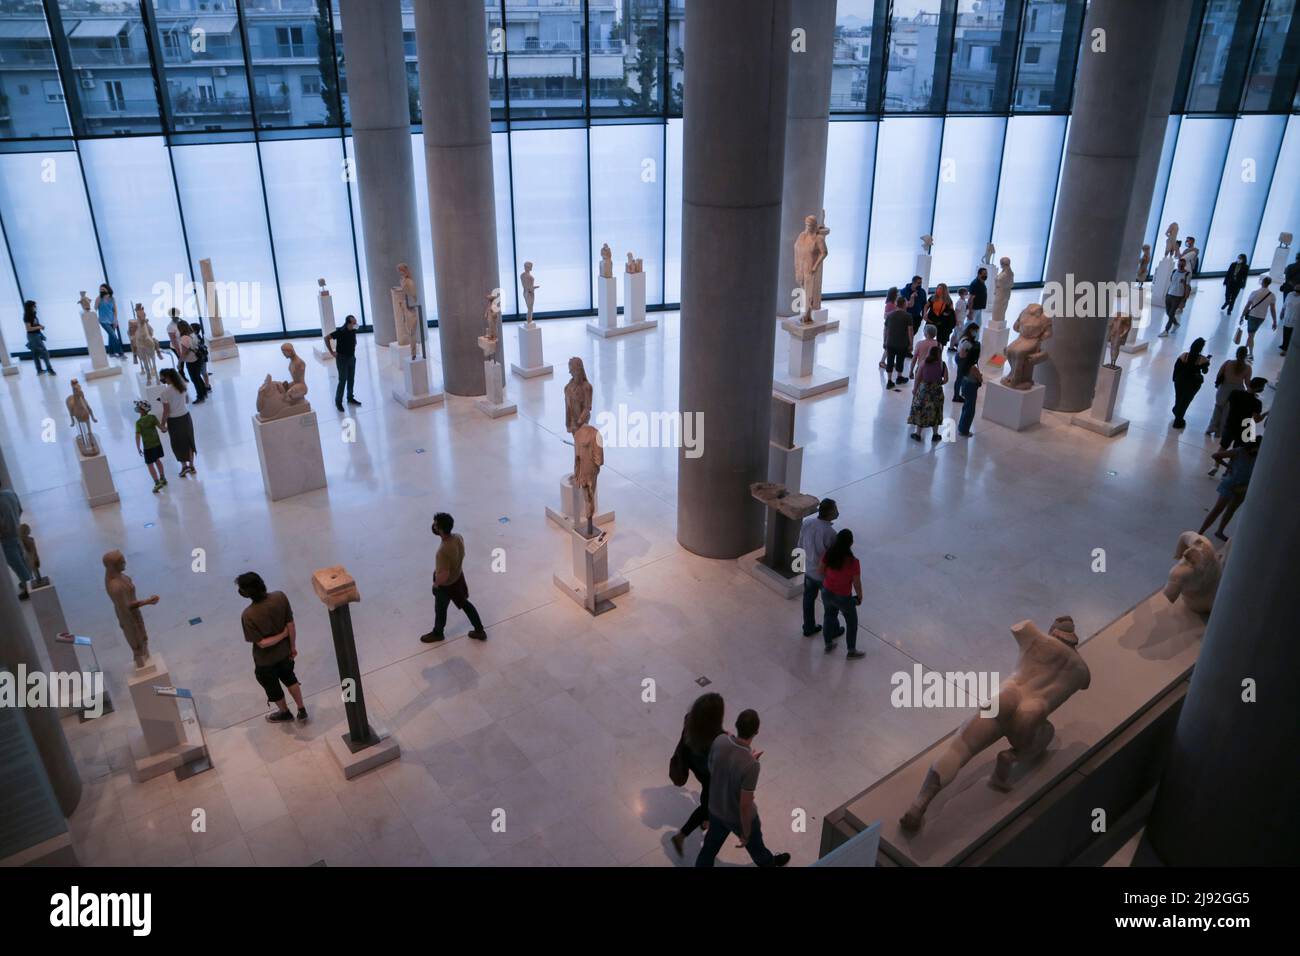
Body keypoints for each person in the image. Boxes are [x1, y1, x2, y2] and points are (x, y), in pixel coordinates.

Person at [694, 709, 790, 867]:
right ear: (756, 731)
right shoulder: (751, 765)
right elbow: (744, 805)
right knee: (757, 849)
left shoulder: (720, 740)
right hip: (737, 817)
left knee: (709, 848)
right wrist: (745, 833)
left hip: (717, 808)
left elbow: (711, 769)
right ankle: (770, 863)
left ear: (737, 725)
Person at [236, 572, 307, 722]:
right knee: (290, 678)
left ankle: (284, 712)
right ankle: (301, 709)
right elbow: (291, 625)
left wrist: (280, 636)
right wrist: (292, 646)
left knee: (272, 687)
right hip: (285, 653)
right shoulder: (280, 597)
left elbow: (262, 643)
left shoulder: (248, 615)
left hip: (265, 661)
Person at [669, 692, 726, 858]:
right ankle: (681, 836)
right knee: (708, 802)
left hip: (693, 764)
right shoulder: (717, 738)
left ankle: (705, 819)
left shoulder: (689, 719)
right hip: (708, 772)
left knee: (707, 792)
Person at [421, 512, 487, 643]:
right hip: (458, 578)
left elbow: (444, 574)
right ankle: (479, 630)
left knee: (440, 610)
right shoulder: (458, 537)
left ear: (440, 529)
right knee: (466, 605)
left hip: (446, 586)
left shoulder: (442, 551)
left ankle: (438, 633)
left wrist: (436, 584)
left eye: (435, 525)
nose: (433, 526)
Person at [1198, 438, 1261, 541]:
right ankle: (1201, 532)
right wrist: (1227, 466)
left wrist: (1228, 466)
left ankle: (1219, 531)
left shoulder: (1255, 456)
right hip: (1232, 484)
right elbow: (1216, 455)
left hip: (1242, 487)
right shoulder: (1239, 451)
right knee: (1218, 509)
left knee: (1230, 510)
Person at [819, 529, 864, 660]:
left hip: (827, 591)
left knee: (828, 616)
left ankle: (828, 644)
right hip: (843, 596)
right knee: (851, 622)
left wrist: (831, 578)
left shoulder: (829, 554)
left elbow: (820, 570)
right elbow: (857, 583)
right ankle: (851, 651)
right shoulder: (853, 562)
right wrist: (860, 596)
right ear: (851, 543)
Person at [1208, 376, 1267, 476]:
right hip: (1246, 427)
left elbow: (1229, 405)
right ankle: (1228, 471)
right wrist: (1266, 414)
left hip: (1231, 423)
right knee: (1237, 451)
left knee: (1223, 446)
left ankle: (1215, 466)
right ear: (1259, 388)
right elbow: (1256, 419)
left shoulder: (1235, 393)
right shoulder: (1257, 403)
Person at [796, 498, 837, 638]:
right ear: (830, 512)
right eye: (835, 509)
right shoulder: (830, 533)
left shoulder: (807, 523)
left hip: (809, 571)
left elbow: (800, 544)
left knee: (808, 600)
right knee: (830, 605)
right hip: (824, 576)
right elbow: (833, 558)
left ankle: (808, 627)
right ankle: (833, 630)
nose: (838, 512)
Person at [159, 368, 197, 477]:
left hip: (174, 420)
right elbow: (186, 401)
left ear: (167, 378)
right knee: (189, 441)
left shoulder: (164, 393)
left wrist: (162, 424)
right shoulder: (183, 386)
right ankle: (192, 465)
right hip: (185, 417)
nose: (161, 379)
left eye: (162, 377)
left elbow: (166, 411)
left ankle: (184, 466)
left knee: (177, 444)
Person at [0, 480, 35, 600]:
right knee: (22, 558)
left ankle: (28, 587)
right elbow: (20, 510)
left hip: (5, 539)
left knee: (16, 564)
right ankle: (28, 580)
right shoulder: (10, 493)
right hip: (17, 531)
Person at [1207, 347, 1251, 438]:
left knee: (1218, 408)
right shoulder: (1247, 368)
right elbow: (1247, 383)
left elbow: (1219, 374)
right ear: (1246, 355)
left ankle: (1211, 428)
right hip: (1237, 391)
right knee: (1228, 412)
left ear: (1236, 353)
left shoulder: (1228, 363)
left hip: (1224, 388)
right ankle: (1220, 432)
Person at [909, 344, 948, 443]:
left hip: (924, 390)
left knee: (921, 411)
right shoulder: (942, 364)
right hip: (936, 391)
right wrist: (940, 383)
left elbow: (918, 377)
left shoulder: (923, 363)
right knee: (936, 411)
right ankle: (935, 434)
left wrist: (915, 389)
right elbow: (946, 379)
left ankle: (918, 434)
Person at [1170, 337, 1210, 430]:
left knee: (1179, 398)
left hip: (1180, 380)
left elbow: (1176, 367)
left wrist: (1175, 379)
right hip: (1193, 383)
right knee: (1186, 401)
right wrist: (1207, 362)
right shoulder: (1202, 359)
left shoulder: (1184, 356)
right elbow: (1205, 371)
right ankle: (1178, 421)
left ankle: (1177, 412)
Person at [326, 313, 361, 412]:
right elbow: (326, 338)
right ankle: (338, 402)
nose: (356, 324)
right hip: (342, 359)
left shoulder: (354, 328)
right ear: (348, 323)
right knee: (342, 380)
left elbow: (355, 335)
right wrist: (331, 352)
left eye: (356, 322)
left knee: (351, 379)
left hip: (351, 358)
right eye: (354, 323)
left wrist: (354, 341)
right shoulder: (340, 331)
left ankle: (350, 398)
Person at [133, 399, 168, 493]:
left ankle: (157, 483)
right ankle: (163, 478)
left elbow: (137, 436)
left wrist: (138, 447)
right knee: (157, 460)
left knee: (150, 464)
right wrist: (165, 429)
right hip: (157, 444)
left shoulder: (138, 422)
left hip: (148, 447)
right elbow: (162, 428)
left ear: (141, 410)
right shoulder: (153, 417)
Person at [1238, 276, 1277, 360]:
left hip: (1252, 316)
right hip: (1261, 318)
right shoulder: (1272, 295)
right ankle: (1244, 350)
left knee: (1251, 336)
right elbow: (1272, 309)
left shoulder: (1255, 293)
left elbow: (1247, 305)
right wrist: (1274, 321)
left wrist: (1242, 316)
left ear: (1262, 282)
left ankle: (1250, 354)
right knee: (1251, 334)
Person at [883, 295, 913, 390]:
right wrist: (911, 343)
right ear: (904, 304)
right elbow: (910, 331)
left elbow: (885, 329)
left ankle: (889, 380)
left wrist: (885, 341)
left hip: (890, 342)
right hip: (902, 343)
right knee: (900, 360)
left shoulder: (890, 315)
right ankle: (899, 377)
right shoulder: (908, 316)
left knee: (890, 361)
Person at [177, 320, 209, 402]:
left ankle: (200, 396)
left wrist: (180, 363)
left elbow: (184, 353)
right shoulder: (193, 335)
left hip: (191, 360)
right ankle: (204, 393)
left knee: (195, 379)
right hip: (198, 358)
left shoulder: (184, 338)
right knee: (198, 377)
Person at [956, 346, 983, 437]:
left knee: (966, 407)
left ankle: (961, 426)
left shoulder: (965, 362)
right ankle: (964, 430)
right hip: (971, 387)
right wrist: (980, 376)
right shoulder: (973, 368)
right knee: (970, 409)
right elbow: (980, 379)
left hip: (965, 384)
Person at [1159, 258, 1190, 335]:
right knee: (1168, 312)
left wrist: (1184, 300)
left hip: (1178, 297)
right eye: (1179, 264)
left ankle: (1166, 330)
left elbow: (1187, 288)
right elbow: (1171, 283)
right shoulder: (1174, 271)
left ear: (1185, 265)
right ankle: (1176, 324)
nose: (1180, 266)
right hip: (1169, 294)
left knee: (1171, 313)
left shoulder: (1187, 274)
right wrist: (1166, 293)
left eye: (1182, 265)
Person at [22, 301, 55, 374]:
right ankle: (49, 369)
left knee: (36, 353)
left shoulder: (33, 314)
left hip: (36, 335)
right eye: (34, 306)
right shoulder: (27, 316)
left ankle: (39, 370)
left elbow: (35, 324)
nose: (35, 307)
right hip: (33, 336)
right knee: (44, 352)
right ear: (30, 307)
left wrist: (40, 326)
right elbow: (28, 328)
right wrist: (39, 327)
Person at [952, 322, 980, 403]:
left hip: (960, 358)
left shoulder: (965, 337)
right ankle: (956, 396)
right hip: (962, 359)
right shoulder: (966, 341)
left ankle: (958, 395)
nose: (976, 333)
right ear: (971, 330)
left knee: (960, 378)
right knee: (960, 378)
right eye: (975, 331)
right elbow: (963, 353)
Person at [923, 283, 956, 352]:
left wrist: (947, 314)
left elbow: (952, 311)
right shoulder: (932, 298)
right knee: (928, 337)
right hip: (931, 320)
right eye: (937, 288)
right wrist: (925, 313)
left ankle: (938, 355)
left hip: (942, 323)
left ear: (944, 290)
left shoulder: (948, 301)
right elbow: (926, 306)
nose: (938, 290)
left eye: (940, 288)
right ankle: (927, 352)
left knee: (941, 341)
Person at [95, 284, 124, 358]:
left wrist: (115, 320)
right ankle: (121, 353)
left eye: (103, 289)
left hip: (112, 320)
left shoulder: (112, 298)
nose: (101, 290)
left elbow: (115, 310)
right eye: (100, 289)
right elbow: (95, 308)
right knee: (114, 336)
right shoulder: (99, 298)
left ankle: (111, 353)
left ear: (107, 289)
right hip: (103, 321)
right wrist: (97, 301)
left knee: (111, 337)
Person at [878, 287, 898, 369]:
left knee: (892, 346)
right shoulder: (890, 304)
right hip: (890, 328)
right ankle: (882, 361)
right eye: (897, 293)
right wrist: (896, 310)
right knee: (888, 346)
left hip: (894, 327)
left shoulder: (894, 303)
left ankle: (890, 361)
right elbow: (885, 315)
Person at [165, 308, 187, 381]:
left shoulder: (182, 322)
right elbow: (173, 341)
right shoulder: (170, 326)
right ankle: (181, 374)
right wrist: (178, 352)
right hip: (176, 346)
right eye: (173, 316)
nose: (175, 317)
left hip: (184, 344)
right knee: (181, 360)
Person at [1282, 289, 1298, 355]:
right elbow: (1285, 304)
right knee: (1285, 334)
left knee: (1292, 335)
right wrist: (1282, 312)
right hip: (1287, 317)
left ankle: (1288, 350)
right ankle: (1284, 348)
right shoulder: (1290, 294)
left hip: (1296, 320)